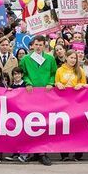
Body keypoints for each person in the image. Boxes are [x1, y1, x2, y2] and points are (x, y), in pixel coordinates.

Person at [17, 36, 57, 166]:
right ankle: (33, 151)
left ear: (45, 45)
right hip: (31, 95)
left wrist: (51, 82)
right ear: (32, 46)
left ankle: (42, 153)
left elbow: (53, 73)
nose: (38, 47)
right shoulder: (25, 59)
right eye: (36, 45)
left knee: (44, 123)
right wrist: (27, 82)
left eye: (41, 45)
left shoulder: (50, 58)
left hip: (46, 95)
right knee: (31, 123)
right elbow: (22, 73)